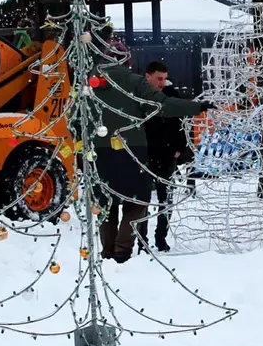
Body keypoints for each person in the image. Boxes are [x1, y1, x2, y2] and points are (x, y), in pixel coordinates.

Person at [89, 48, 214, 263]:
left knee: (106, 201)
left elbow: (76, 117)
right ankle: (122, 249)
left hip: (100, 151)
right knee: (137, 202)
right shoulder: (134, 82)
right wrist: (197, 106)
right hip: (132, 149)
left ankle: (107, 251)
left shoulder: (89, 83)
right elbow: (163, 104)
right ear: (127, 62)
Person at [140, 60, 191, 252]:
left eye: (164, 78)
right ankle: (141, 239)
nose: (162, 82)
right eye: (158, 78)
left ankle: (161, 237)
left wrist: (179, 147)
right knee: (142, 200)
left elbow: (183, 123)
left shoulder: (172, 95)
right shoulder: (141, 96)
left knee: (165, 199)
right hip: (145, 154)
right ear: (148, 76)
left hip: (167, 154)